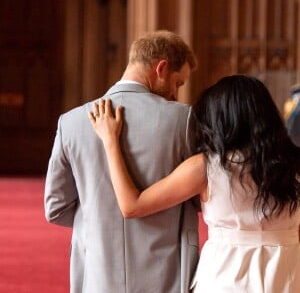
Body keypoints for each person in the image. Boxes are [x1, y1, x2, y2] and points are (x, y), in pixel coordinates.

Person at [89, 74, 300, 293]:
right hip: (287, 275)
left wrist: (110, 141)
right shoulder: (294, 164)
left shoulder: (207, 167)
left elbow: (132, 205)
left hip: (226, 278)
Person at [44, 30, 200, 293]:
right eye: (178, 83)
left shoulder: (71, 122)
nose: (176, 93)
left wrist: (100, 218)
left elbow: (55, 208)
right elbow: (198, 198)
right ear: (161, 68)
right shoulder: (183, 120)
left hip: (97, 272)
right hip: (168, 271)